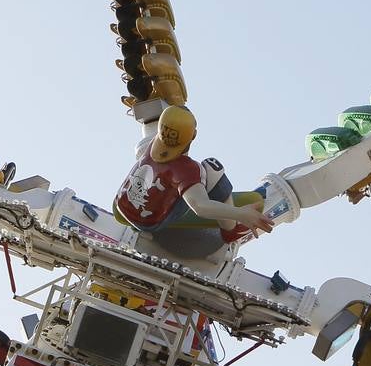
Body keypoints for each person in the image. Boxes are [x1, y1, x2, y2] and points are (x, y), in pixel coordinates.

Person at [113, 104, 272, 256]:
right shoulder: (185, 169)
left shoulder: (154, 142)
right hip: (149, 222)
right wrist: (240, 214)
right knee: (213, 168)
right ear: (194, 135)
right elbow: (200, 206)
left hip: (122, 203)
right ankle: (231, 230)